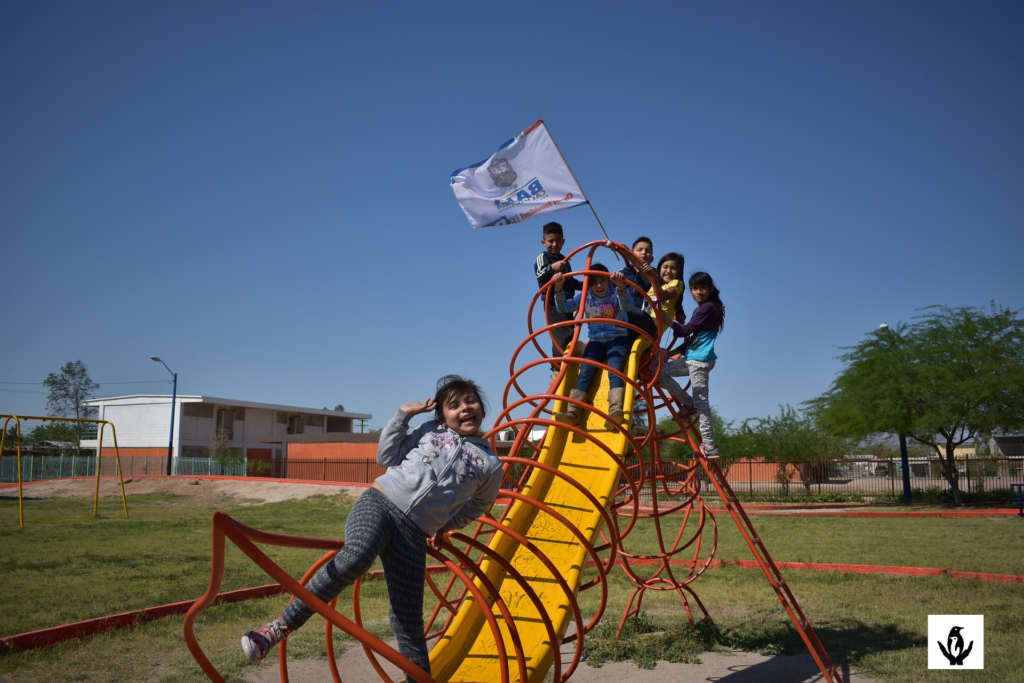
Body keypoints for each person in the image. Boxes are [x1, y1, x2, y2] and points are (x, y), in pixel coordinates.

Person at [241, 376, 504, 682]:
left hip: (414, 534)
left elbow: (478, 505)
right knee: (357, 557)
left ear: (482, 409)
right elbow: (386, 458)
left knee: (408, 622)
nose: (464, 409)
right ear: (441, 415)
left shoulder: (489, 463)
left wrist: (446, 525)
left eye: (470, 401)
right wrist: (403, 415)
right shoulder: (429, 431)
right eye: (454, 405)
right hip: (380, 502)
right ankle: (277, 629)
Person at [550, 264, 633, 430]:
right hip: (595, 341)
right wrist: (558, 287)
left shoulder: (616, 293)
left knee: (615, 369)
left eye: (603, 280)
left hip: (617, 339)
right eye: (594, 282)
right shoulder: (585, 297)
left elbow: (628, 306)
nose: (599, 285)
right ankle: (573, 413)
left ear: (609, 280)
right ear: (589, 285)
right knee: (585, 372)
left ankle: (615, 409)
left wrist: (621, 285)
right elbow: (563, 307)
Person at [658, 272, 725, 458]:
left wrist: (665, 320)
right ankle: (688, 403)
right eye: (695, 288)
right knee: (660, 372)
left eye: (703, 288)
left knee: (702, 401)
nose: (699, 291)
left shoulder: (709, 307)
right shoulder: (702, 309)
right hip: (692, 359)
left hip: (699, 361)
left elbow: (686, 330)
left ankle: (710, 445)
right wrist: (669, 353)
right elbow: (691, 339)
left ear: (710, 289)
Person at [535, 222, 581, 372]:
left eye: (558, 241)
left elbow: (571, 282)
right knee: (560, 335)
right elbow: (540, 276)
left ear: (563, 242)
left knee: (569, 334)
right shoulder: (543, 257)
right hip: (553, 304)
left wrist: (588, 283)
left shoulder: (565, 260)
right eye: (550, 241)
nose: (554, 244)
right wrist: (551, 268)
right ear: (543, 242)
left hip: (567, 303)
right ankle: (557, 368)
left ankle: (568, 364)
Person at [616, 236, 660, 345]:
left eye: (647, 251)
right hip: (623, 319)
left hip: (644, 319)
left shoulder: (655, 275)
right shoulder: (622, 272)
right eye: (639, 250)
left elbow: (665, 291)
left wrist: (679, 311)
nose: (644, 253)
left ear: (652, 259)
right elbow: (604, 289)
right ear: (632, 253)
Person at [646, 252, 685, 330]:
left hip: (654, 324)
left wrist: (654, 278)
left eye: (673, 268)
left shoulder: (677, 283)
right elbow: (638, 266)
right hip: (644, 321)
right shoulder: (657, 285)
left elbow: (661, 297)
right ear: (660, 268)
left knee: (627, 312)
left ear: (679, 271)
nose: (668, 271)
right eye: (665, 267)